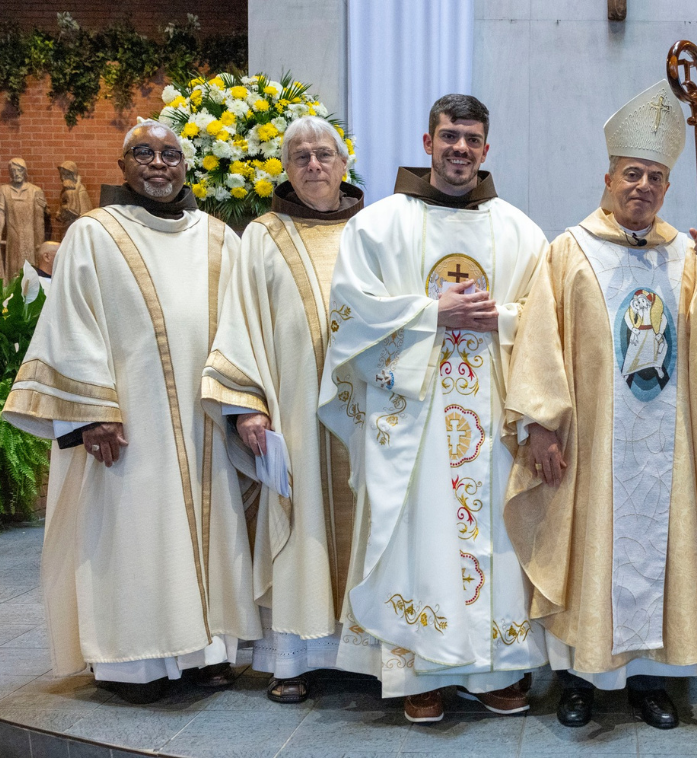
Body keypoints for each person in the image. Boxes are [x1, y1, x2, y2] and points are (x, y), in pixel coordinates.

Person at [502, 80, 697, 731]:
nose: (643, 186)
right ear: (608, 177)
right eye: (632, 173)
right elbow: (541, 339)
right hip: (594, 444)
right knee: (585, 547)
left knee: (667, 552)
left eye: (656, 177)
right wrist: (543, 425)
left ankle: (650, 684)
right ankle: (582, 679)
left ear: (667, 188)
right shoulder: (569, 252)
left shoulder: (688, 255)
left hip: (670, 445)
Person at [1, 122, 259, 704]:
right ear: (123, 165)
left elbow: (246, 325)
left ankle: (206, 653)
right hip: (127, 426)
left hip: (204, 422)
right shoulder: (95, 232)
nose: (159, 164)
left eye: (171, 153)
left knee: (208, 528)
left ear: (187, 164)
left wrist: (245, 401)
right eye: (145, 153)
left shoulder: (220, 238)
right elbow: (72, 321)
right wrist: (92, 411)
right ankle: (132, 663)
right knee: (132, 532)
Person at [318, 94, 548, 724]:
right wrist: (430, 313)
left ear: (486, 148)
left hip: (492, 416)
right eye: (449, 136)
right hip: (412, 418)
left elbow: (545, 319)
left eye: (472, 139)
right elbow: (349, 310)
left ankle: (495, 668)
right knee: (419, 536)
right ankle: (419, 670)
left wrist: (493, 315)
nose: (460, 149)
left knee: (494, 537)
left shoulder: (519, 230)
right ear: (427, 143)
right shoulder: (379, 224)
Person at [201, 116, 365, 704]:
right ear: (287, 171)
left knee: (371, 525)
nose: (315, 165)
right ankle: (292, 658)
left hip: (373, 417)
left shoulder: (376, 228)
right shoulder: (261, 236)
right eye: (301, 158)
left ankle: (369, 654)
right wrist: (248, 404)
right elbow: (239, 320)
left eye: (325, 155)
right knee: (300, 525)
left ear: (345, 164)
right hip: (293, 414)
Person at [0, 157, 47, 282]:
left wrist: (39, 242)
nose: (16, 174)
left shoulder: (35, 191)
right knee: (13, 266)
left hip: (30, 238)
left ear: (25, 172)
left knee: (29, 266)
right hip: (13, 236)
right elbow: (1, 213)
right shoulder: (4, 190)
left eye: (19, 170)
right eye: (13, 170)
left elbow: (39, 220)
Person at [57, 160, 93, 229]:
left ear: (73, 175)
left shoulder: (81, 191)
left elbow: (85, 214)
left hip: (77, 227)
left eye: (67, 175)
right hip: (67, 225)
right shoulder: (65, 189)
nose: (63, 178)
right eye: (62, 174)